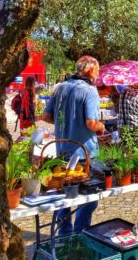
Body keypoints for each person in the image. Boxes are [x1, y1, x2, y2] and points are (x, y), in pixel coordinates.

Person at [42, 55, 105, 235]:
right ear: (90, 70)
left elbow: (46, 117)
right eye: (98, 70)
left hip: (62, 151)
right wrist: (102, 128)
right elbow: (92, 123)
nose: (98, 74)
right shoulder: (89, 91)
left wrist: (67, 125)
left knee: (64, 195)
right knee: (90, 197)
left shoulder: (60, 87)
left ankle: (64, 233)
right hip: (84, 154)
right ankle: (80, 233)